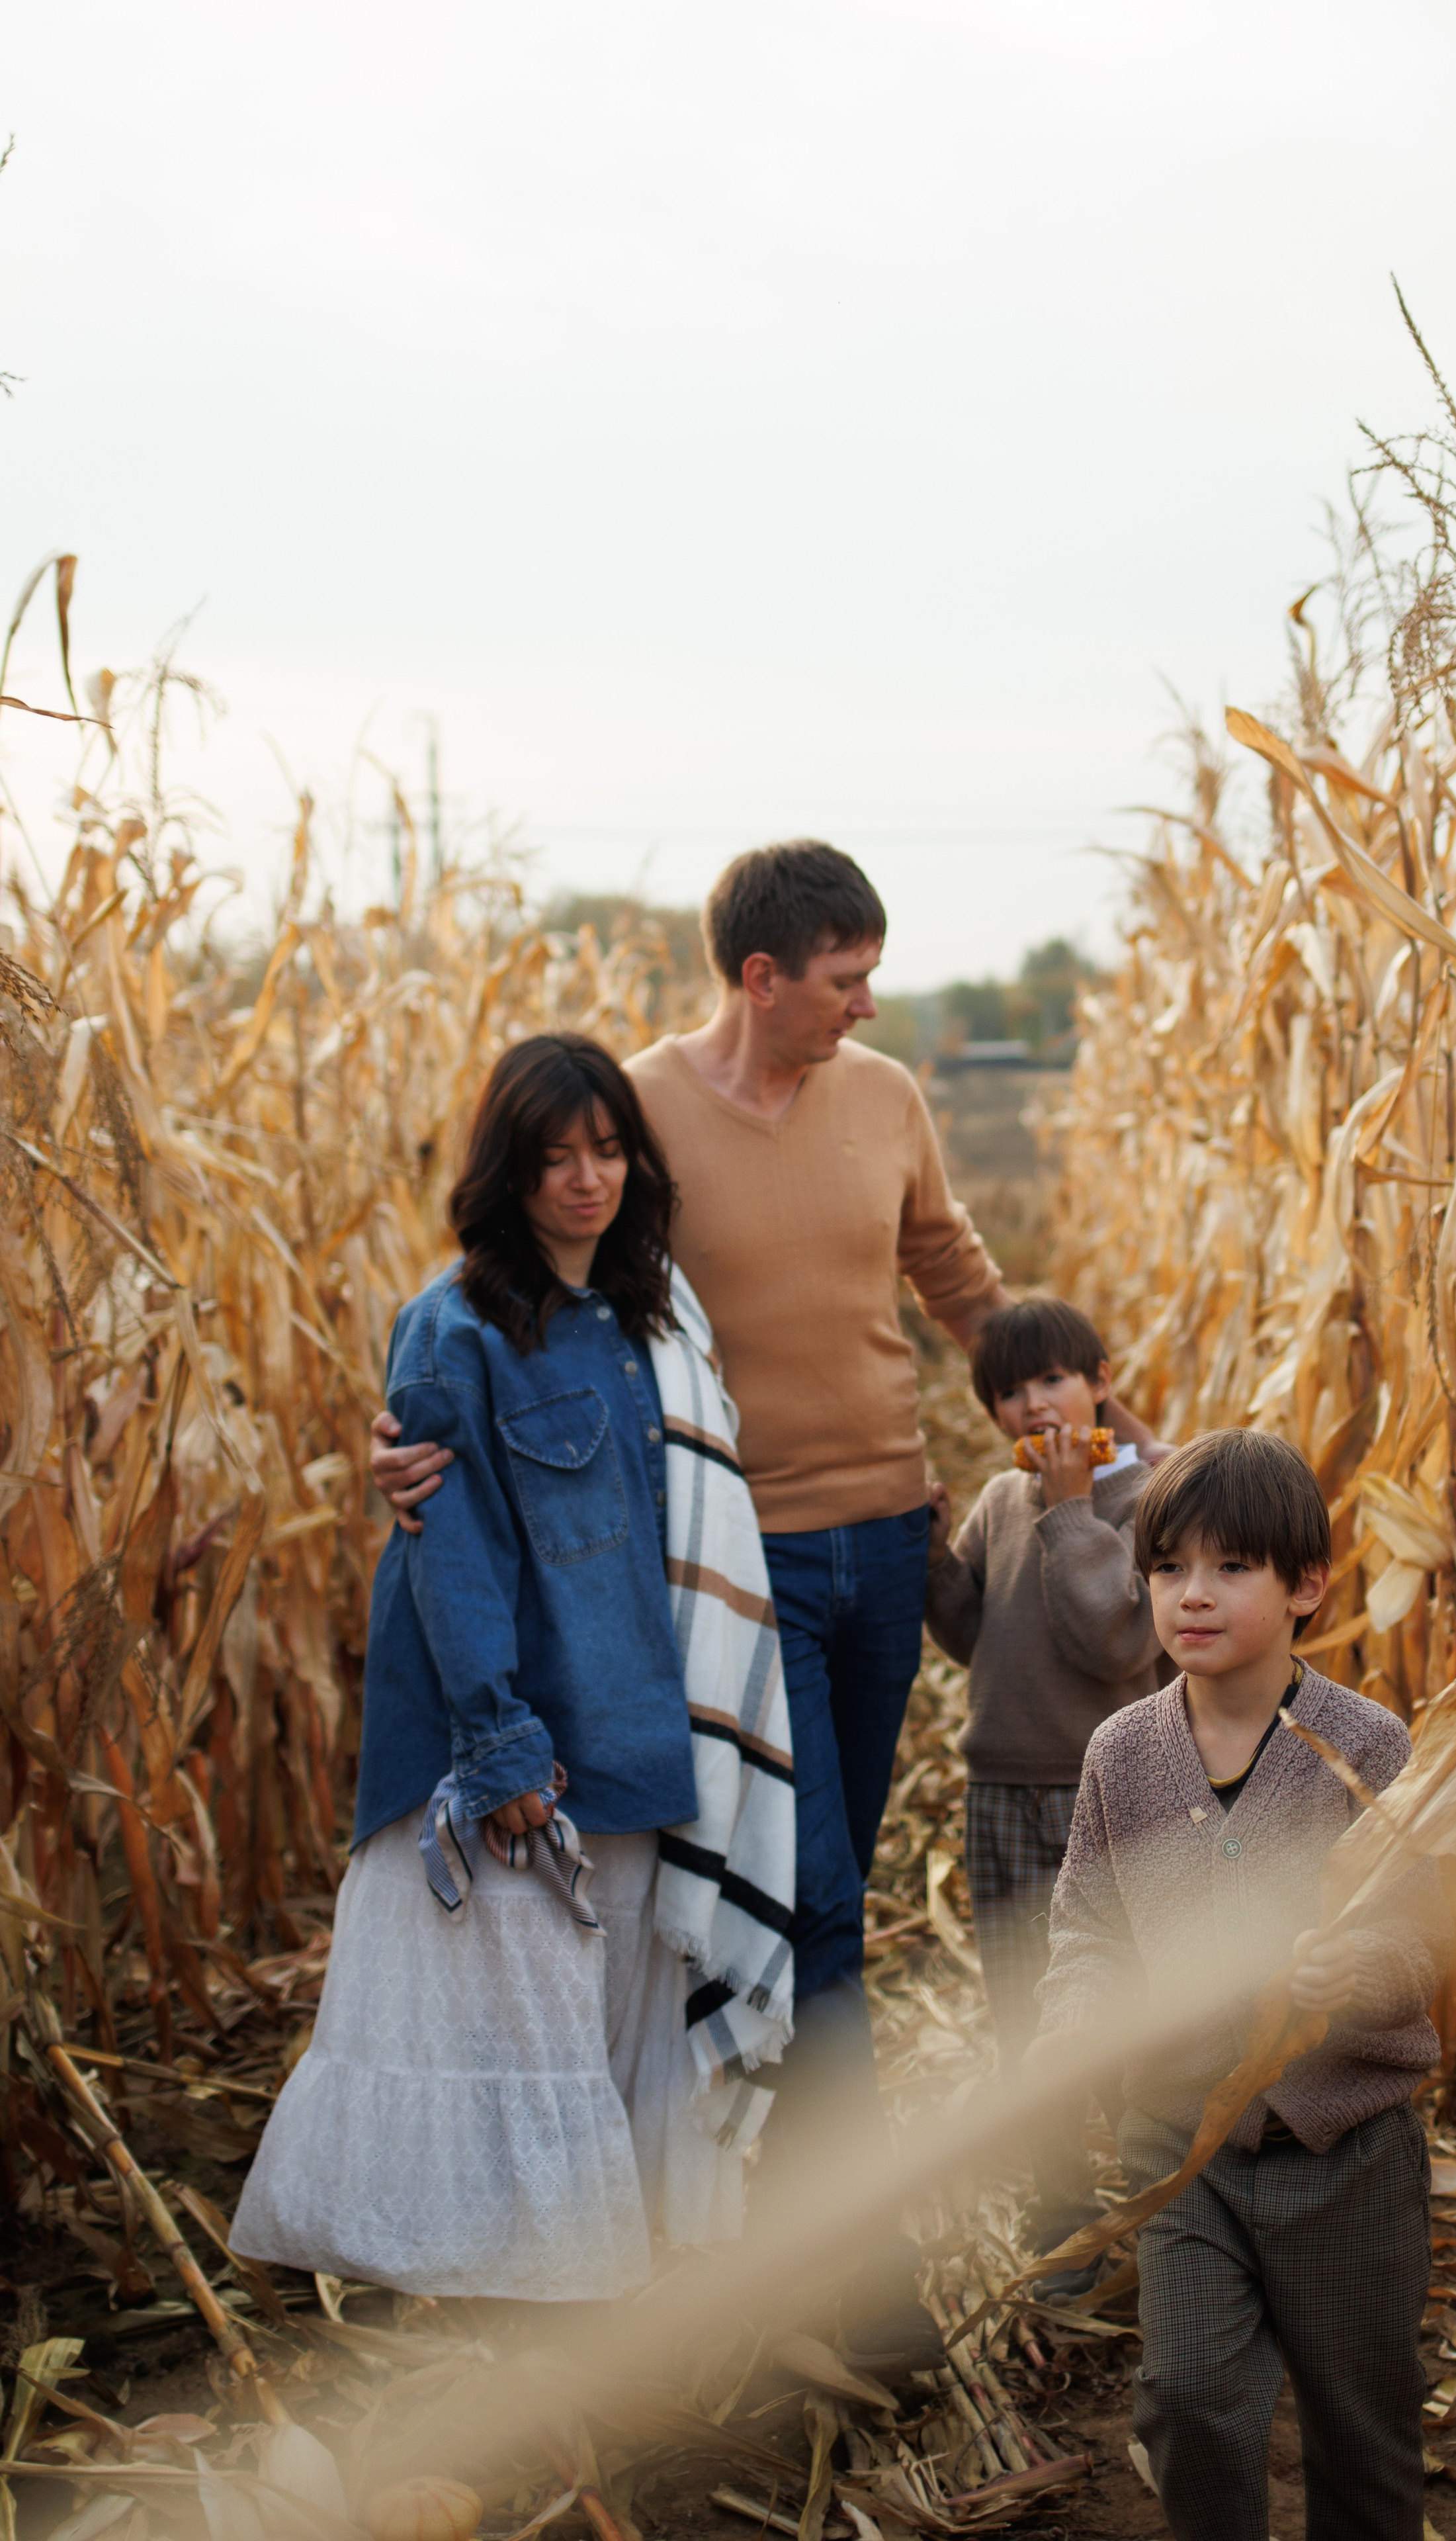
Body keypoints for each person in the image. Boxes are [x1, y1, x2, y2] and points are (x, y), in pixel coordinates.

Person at [369, 842, 1162, 2360]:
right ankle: (863, 2284)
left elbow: (949, 1264)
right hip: (733, 1558)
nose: (868, 1005)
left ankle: (738, 2199)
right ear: (761, 976)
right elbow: (526, 1275)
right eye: (845, 980)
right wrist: (425, 1443)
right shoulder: (644, 1111)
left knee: (827, 1896)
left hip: (884, 1535)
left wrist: (1082, 1409)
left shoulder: (886, 1101)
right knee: (812, 1911)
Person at [234, 1034, 792, 2302]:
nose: (584, 1180)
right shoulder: (452, 1330)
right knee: (516, 2037)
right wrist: (498, 1749)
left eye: (605, 1150)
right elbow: (455, 1556)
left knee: (600, 2033)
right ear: (508, 1170)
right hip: (524, 1740)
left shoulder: (652, 1316)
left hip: (642, 1732)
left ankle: (590, 2323)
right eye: (553, 1159)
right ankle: (510, 2332)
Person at [1034, 1429, 1445, 2541]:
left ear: (1306, 1585)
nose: (1192, 1597)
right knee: (1191, 2407)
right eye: (1168, 1569)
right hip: (1184, 2153)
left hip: (1347, 2155)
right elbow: (1087, 1929)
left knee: (1363, 2432)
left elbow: (1430, 1928)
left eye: (1230, 1569)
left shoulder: (1368, 1747)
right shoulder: (1123, 1754)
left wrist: (1364, 1969)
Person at [923, 1297, 1160, 2290]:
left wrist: (1072, 1510)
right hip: (1001, 1796)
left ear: (1101, 1383)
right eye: (1009, 1392)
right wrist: (930, 1555)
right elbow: (972, 1634)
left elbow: (1115, 1643)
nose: (1032, 1405)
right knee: (1027, 2008)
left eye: (1053, 1381)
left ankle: (1165, 2194)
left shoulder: (1145, 1504)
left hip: (1105, 1798)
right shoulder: (995, 1502)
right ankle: (1061, 2209)